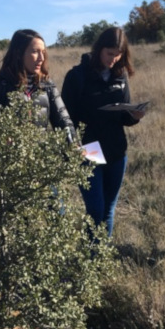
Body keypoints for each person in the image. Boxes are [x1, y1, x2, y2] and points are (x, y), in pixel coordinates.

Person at [62, 27, 144, 237]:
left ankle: (100, 262)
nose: (114, 59)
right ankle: (89, 260)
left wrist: (133, 117)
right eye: (110, 53)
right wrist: (72, 148)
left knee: (108, 210)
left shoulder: (121, 75)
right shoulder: (77, 76)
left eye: (119, 55)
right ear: (99, 49)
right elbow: (64, 119)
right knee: (95, 210)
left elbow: (124, 115)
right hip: (89, 149)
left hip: (116, 151)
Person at [0, 29, 76, 145]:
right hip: (8, 160)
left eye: (43, 52)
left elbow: (64, 121)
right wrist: (1, 138)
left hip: (40, 159)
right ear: (18, 53)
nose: (41, 58)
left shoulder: (47, 85)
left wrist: (73, 144)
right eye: (35, 52)